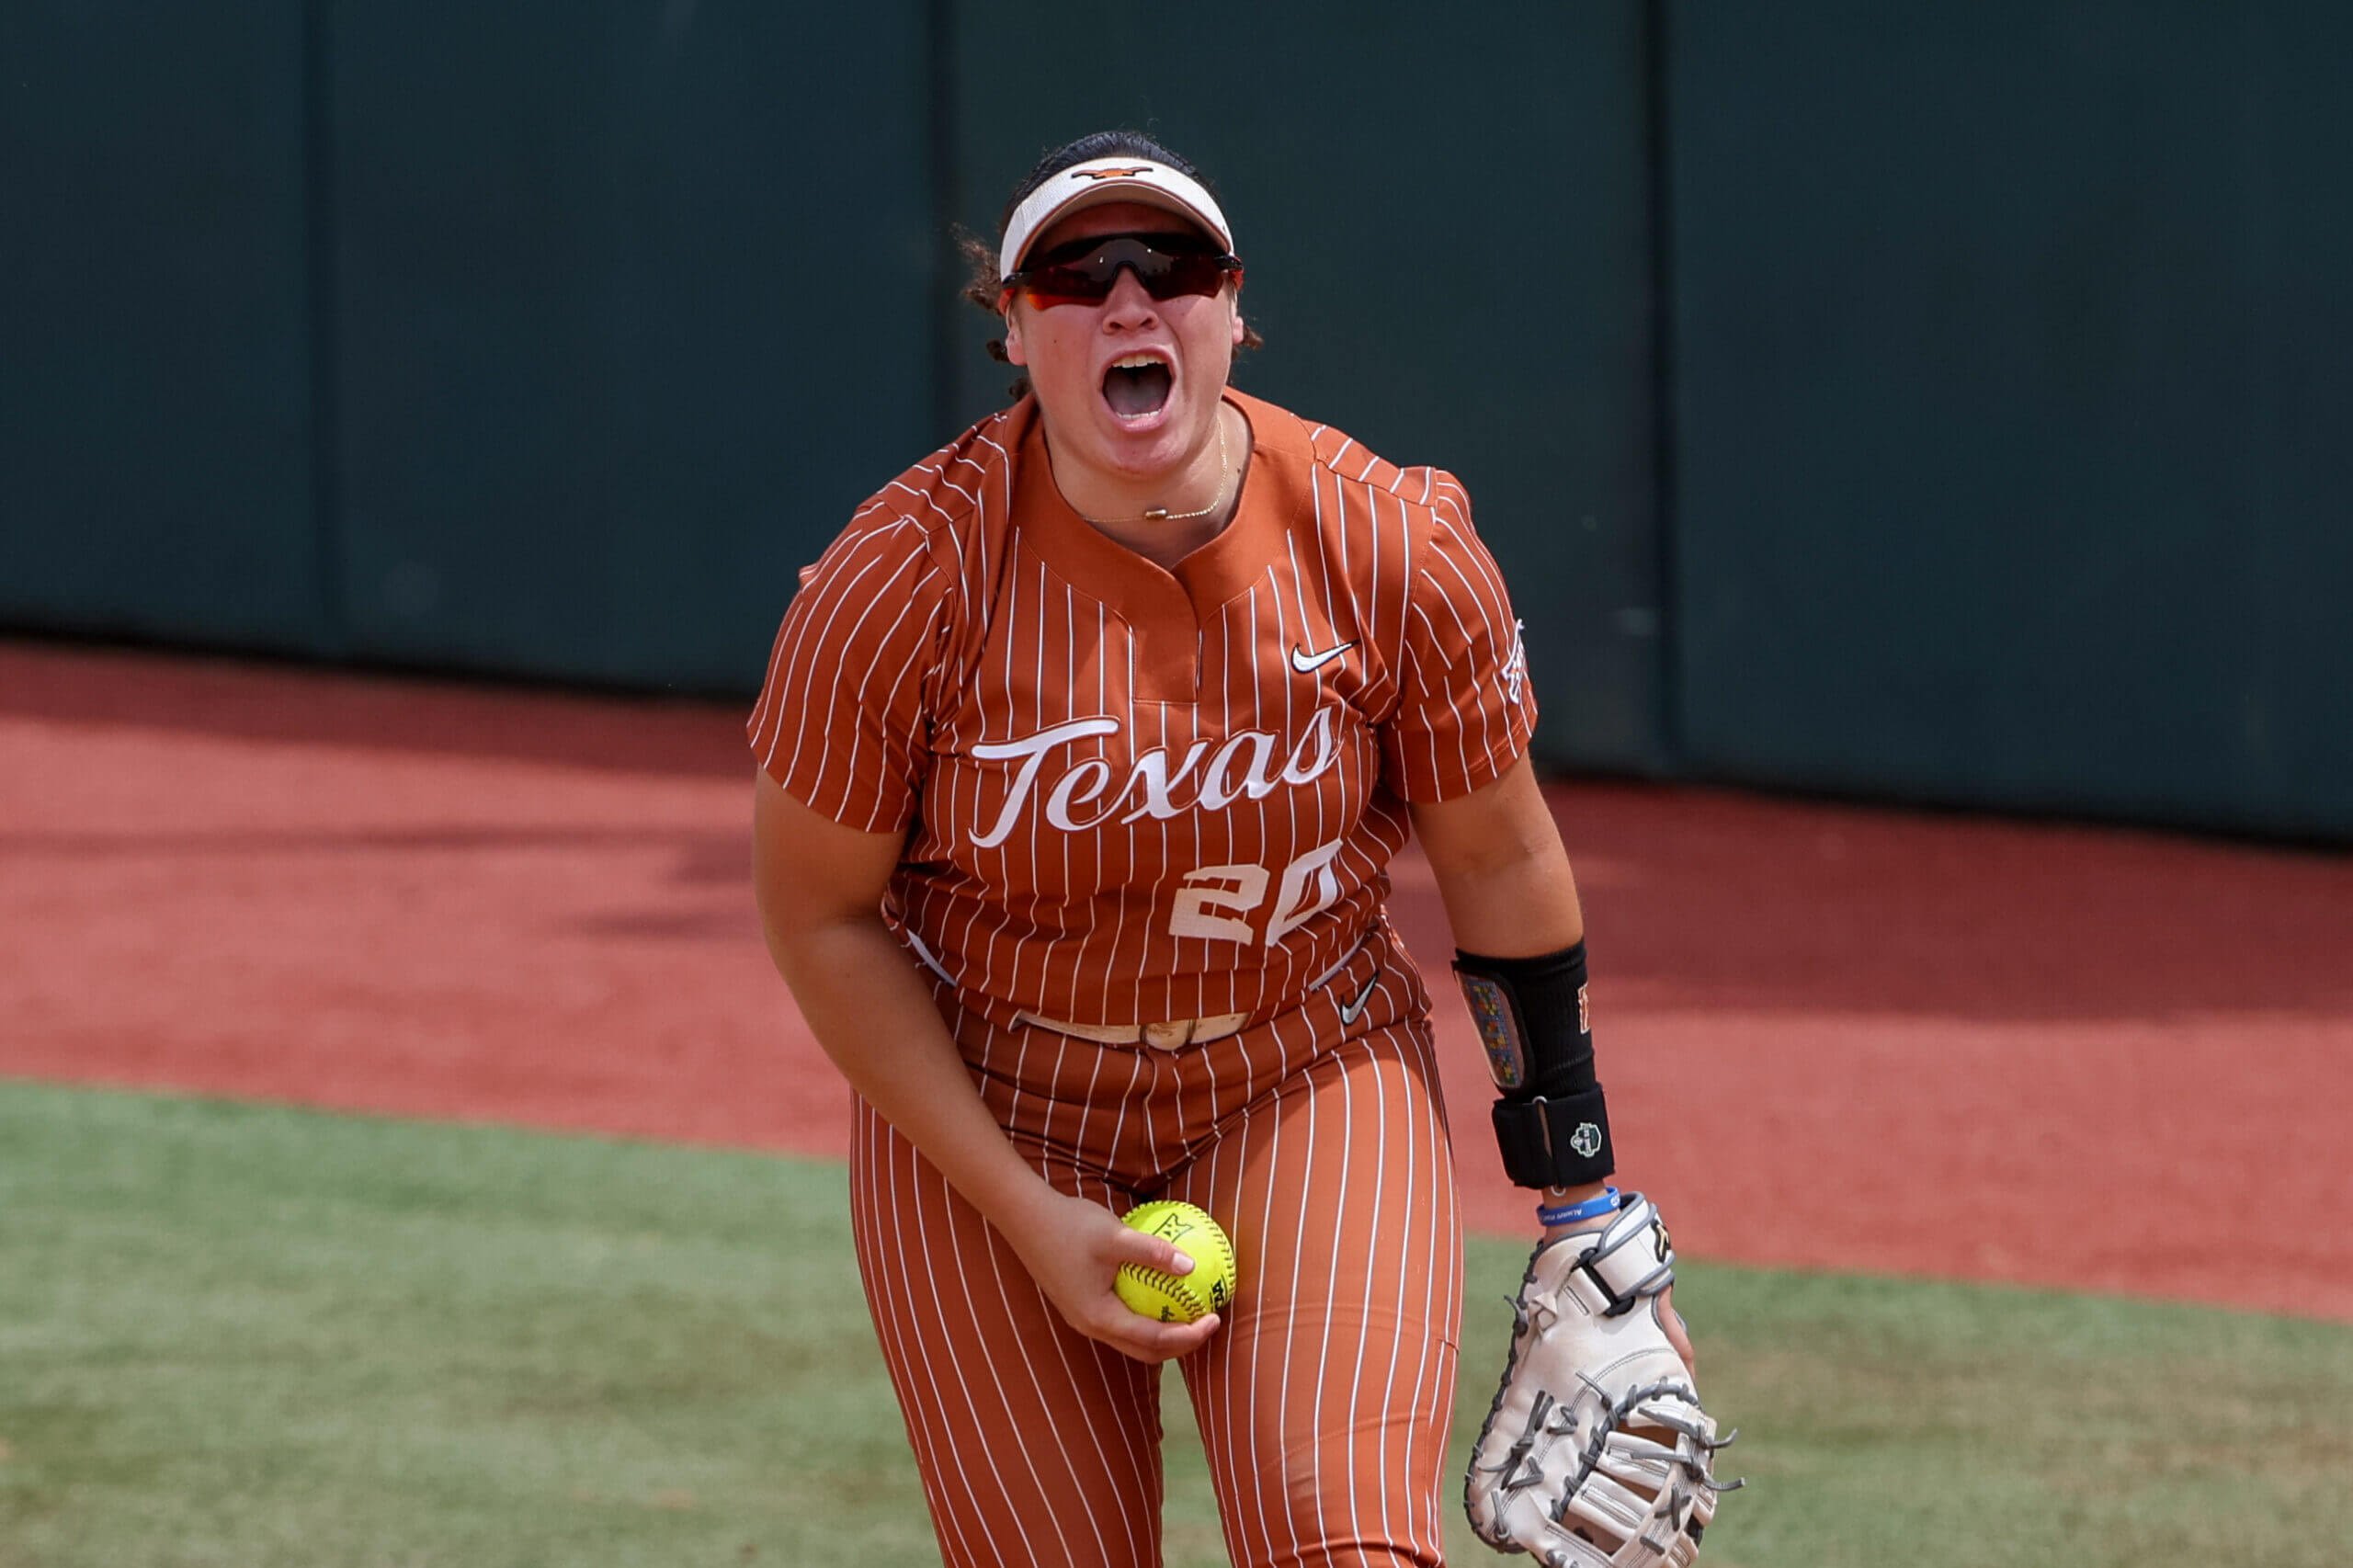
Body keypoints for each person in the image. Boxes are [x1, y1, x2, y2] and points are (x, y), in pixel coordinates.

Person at [749, 130, 1725, 1568]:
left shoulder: (1385, 543)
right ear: (1014, 330)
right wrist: (1025, 1213)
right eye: (1077, 274)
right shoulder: (899, 588)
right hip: (997, 1099)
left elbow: (1502, 863)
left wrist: (1583, 1192)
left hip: (1303, 1066)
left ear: (1233, 307)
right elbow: (820, 917)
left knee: (1349, 1548)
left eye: (1175, 266)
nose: (1129, 301)